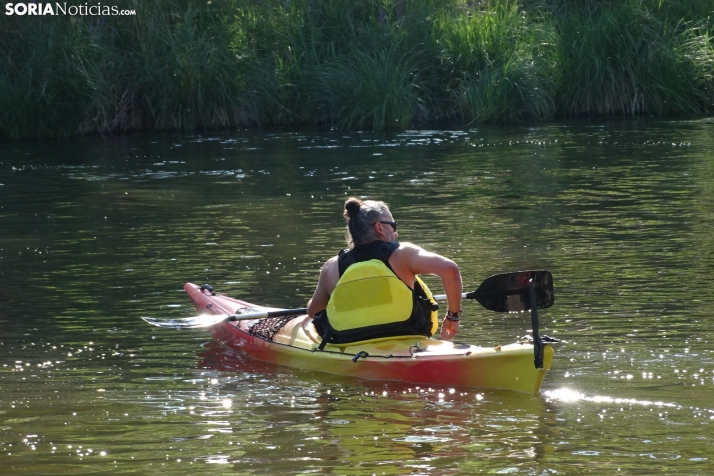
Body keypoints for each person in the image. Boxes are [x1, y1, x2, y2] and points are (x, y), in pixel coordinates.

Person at [307, 197, 462, 344]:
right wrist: (453, 317)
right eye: (393, 226)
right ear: (379, 227)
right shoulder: (403, 254)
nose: (396, 233)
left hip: (353, 345)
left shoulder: (332, 267)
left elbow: (314, 311)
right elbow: (449, 269)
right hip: (408, 340)